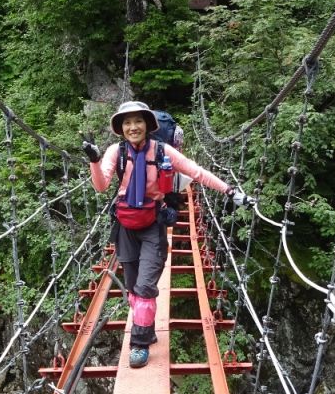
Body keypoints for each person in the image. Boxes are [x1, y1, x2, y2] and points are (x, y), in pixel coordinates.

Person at [82, 100, 255, 368]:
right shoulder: (116, 152)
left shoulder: (162, 151)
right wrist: (94, 161)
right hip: (125, 225)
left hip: (153, 223)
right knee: (132, 290)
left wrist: (230, 191)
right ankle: (146, 329)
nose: (132, 127)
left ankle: (138, 344)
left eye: (137, 121)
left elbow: (197, 172)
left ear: (148, 124)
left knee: (145, 287)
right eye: (127, 122)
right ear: (121, 128)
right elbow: (101, 186)